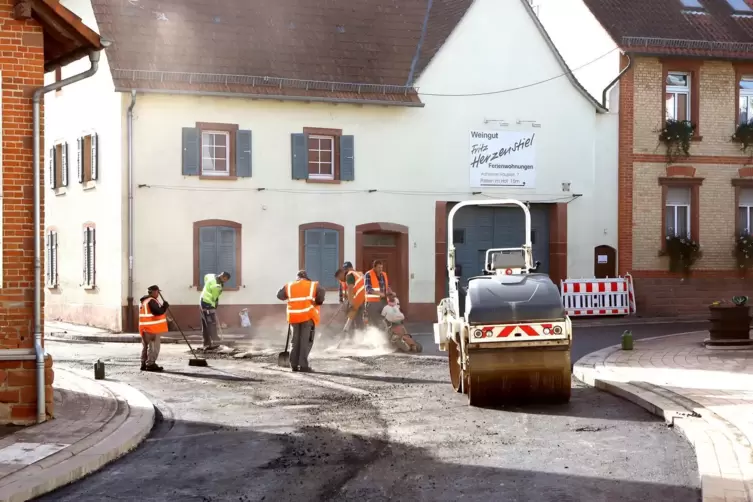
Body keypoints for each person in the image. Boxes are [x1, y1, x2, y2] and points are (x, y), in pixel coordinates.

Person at [277, 270, 325, 372]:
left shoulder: (289, 286)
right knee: (305, 341)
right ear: (307, 277)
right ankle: (303, 366)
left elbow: (279, 295)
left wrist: (289, 296)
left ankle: (293, 365)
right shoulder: (313, 285)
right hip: (307, 316)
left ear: (297, 278)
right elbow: (322, 292)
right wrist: (318, 301)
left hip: (293, 317)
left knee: (294, 340)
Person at [138, 285, 169, 372]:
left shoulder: (143, 301)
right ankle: (150, 364)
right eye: (158, 292)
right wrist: (165, 307)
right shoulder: (151, 301)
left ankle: (143, 363)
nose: (158, 294)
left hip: (144, 328)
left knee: (145, 347)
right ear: (154, 292)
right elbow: (157, 312)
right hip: (152, 329)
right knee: (153, 347)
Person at [199, 271, 231, 350]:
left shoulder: (211, 276)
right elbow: (215, 298)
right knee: (210, 323)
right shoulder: (216, 286)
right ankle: (213, 341)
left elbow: (206, 276)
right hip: (207, 304)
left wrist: (206, 287)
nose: (225, 281)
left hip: (202, 301)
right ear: (223, 277)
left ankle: (208, 342)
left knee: (206, 323)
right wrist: (214, 306)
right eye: (225, 279)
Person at [338, 261, 366, 333]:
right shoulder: (360, 274)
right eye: (344, 269)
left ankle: (351, 338)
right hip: (360, 301)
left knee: (352, 321)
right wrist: (342, 301)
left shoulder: (350, 275)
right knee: (358, 320)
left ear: (350, 268)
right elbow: (342, 290)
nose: (345, 271)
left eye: (346, 269)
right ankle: (360, 337)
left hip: (353, 301)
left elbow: (350, 289)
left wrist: (350, 303)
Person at [364, 260, 390, 324]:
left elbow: (386, 286)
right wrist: (379, 293)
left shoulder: (384, 274)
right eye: (379, 267)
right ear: (374, 267)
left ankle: (384, 333)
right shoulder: (368, 274)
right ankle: (373, 333)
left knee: (384, 320)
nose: (380, 269)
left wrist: (390, 292)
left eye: (381, 267)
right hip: (372, 303)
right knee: (373, 321)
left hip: (383, 301)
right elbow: (368, 288)